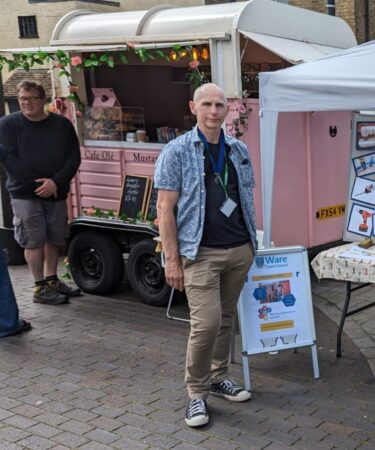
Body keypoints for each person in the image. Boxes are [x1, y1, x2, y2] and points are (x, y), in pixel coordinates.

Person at [155, 83, 258, 427]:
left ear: (227, 109)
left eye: (219, 105)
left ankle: (218, 376)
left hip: (239, 249)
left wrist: (251, 244)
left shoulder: (238, 149)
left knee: (226, 319)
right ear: (193, 107)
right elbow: (164, 208)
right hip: (199, 253)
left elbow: (244, 197)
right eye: (207, 105)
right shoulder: (177, 151)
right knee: (207, 324)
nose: (214, 111)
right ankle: (196, 394)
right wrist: (172, 259)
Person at [0, 81, 82, 305]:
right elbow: (8, 159)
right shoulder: (7, 125)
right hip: (25, 194)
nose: (26, 103)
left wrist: (55, 182)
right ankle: (39, 287)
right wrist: (37, 185)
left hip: (56, 191)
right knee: (33, 240)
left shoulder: (61, 125)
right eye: (22, 99)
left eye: (31, 98)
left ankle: (52, 279)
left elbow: (73, 157)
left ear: (43, 100)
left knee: (54, 238)